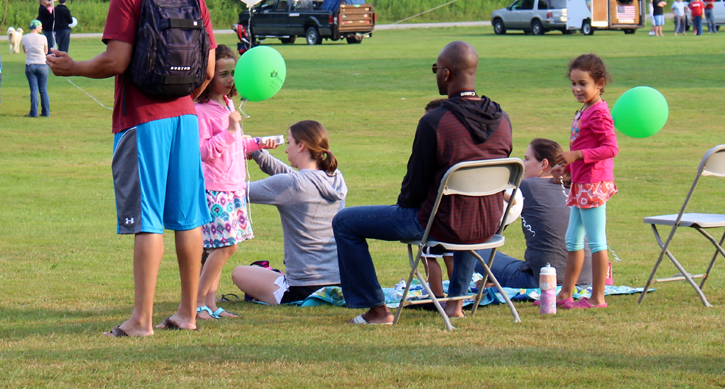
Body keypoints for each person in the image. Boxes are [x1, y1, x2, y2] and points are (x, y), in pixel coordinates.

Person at [48, 0, 216, 337]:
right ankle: (188, 313)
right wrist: (183, 95)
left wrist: (74, 67)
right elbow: (209, 69)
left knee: (148, 220)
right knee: (188, 219)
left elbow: (116, 61)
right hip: (185, 117)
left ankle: (141, 320)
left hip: (143, 121)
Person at [332, 41, 512, 324]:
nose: (436, 74)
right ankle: (455, 305)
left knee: (344, 221)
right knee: (467, 207)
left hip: (438, 223)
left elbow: (414, 189)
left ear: (447, 74)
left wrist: (405, 207)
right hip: (487, 224)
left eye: (436, 69)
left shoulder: (436, 122)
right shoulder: (503, 120)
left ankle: (376, 310)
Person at [231, 120, 348, 306]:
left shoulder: (292, 184)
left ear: (301, 146)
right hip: (339, 281)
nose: (286, 150)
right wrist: (256, 151)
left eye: (289, 143)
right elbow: (293, 179)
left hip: (301, 287)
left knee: (239, 272)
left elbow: (232, 191)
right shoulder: (336, 178)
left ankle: (276, 279)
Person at [194, 44, 267, 320]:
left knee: (222, 247)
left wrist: (257, 143)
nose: (230, 80)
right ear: (208, 76)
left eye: (233, 73)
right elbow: (203, 151)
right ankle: (196, 302)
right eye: (223, 74)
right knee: (226, 246)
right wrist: (231, 129)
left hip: (233, 186)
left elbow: (234, 141)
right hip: (215, 188)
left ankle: (210, 304)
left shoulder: (228, 104)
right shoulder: (201, 110)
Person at [468, 138, 593, 289]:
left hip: (541, 280)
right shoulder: (571, 187)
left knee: (469, 250)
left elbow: (494, 226)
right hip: (586, 277)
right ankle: (497, 282)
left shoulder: (528, 186)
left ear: (544, 164)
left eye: (527, 159)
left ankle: (496, 284)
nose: (523, 163)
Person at [552, 54, 619, 310]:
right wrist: (566, 167)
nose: (577, 89)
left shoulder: (599, 112)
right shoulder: (585, 110)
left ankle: (597, 298)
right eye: (573, 84)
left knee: (597, 241)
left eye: (583, 84)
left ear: (599, 83)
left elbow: (610, 148)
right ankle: (565, 294)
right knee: (572, 240)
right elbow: (583, 144)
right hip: (581, 182)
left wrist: (577, 156)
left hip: (594, 183)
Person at [22, 20, 50, 118]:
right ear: (36, 27)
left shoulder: (25, 37)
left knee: (34, 89)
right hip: (42, 63)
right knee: (43, 89)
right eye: (40, 26)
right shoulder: (43, 38)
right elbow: (46, 51)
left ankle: (34, 112)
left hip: (30, 64)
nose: (41, 28)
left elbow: (25, 50)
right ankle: (46, 112)